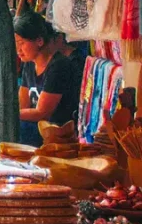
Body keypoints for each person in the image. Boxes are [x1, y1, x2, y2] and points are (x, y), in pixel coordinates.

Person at [14, 9, 87, 139]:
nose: (18, 49)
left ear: (39, 41)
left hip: (58, 136)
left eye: (21, 43)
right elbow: (22, 105)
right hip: (38, 132)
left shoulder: (59, 66)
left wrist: (8, 113)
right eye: (16, 44)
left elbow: (42, 113)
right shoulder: (30, 64)